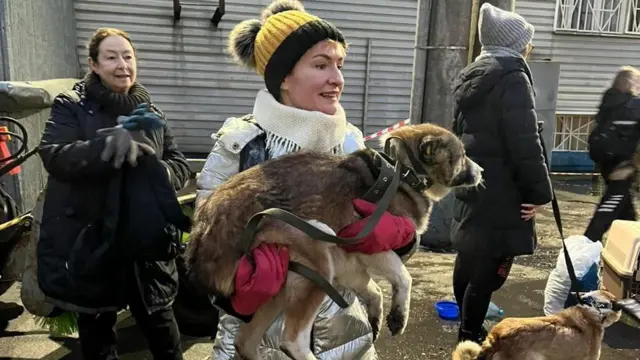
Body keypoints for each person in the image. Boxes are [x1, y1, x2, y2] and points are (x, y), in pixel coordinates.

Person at [195, 0, 416, 358]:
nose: (337, 78)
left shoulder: (351, 142)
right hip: (260, 341)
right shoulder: (241, 144)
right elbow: (204, 241)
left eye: (339, 65)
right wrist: (237, 285)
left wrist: (399, 238)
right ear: (283, 76)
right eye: (321, 65)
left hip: (343, 339)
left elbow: (372, 242)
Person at [37, 27, 191, 359]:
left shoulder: (150, 112)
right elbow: (54, 154)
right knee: (98, 335)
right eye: (111, 57)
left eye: (128, 56)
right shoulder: (72, 105)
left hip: (145, 244)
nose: (122, 64)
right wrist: (107, 146)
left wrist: (157, 169)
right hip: (93, 241)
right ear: (93, 64)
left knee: (163, 330)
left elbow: (178, 164)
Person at [450, 3, 553, 344]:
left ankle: (466, 328)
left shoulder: (472, 76)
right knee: (489, 271)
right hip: (504, 194)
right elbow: (525, 144)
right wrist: (538, 194)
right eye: (527, 41)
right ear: (515, 44)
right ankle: (470, 338)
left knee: (467, 261)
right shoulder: (513, 77)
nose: (530, 47)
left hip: (473, 184)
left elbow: (457, 134)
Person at [584, 66, 640, 242]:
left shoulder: (609, 100)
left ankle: (628, 251)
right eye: (637, 80)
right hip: (623, 167)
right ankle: (584, 249)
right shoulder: (633, 104)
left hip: (607, 163)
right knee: (606, 213)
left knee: (627, 217)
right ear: (629, 82)